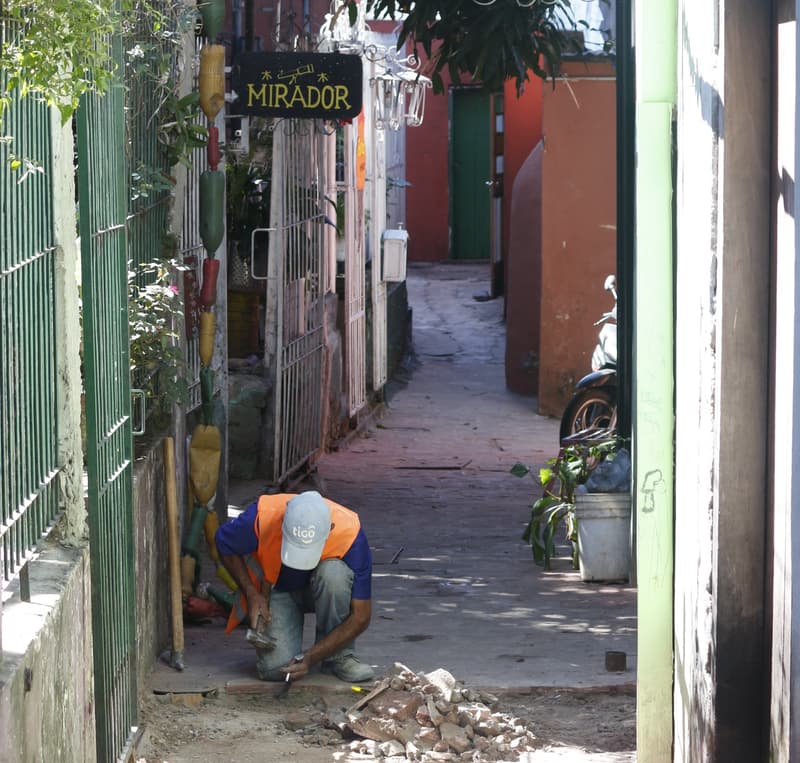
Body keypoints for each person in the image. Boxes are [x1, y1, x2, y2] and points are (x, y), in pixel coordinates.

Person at [215, 490, 375, 684]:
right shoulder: (262, 516)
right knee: (277, 670)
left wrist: (311, 656)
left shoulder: (349, 533)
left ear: (329, 529)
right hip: (280, 590)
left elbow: (361, 616)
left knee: (334, 575)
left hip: (322, 588)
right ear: (283, 524)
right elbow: (224, 542)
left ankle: (338, 657)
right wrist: (252, 593)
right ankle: (308, 650)